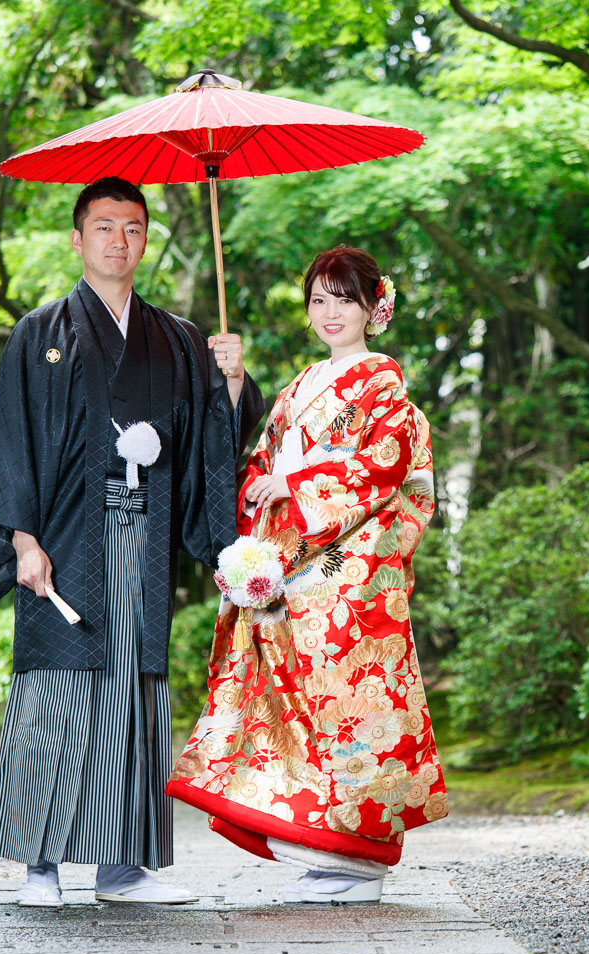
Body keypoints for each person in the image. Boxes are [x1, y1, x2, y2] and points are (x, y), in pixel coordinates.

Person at [0, 176, 265, 907]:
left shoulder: (181, 338)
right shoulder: (41, 332)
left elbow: (216, 442)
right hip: (65, 536)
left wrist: (230, 381)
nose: (118, 241)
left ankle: (121, 866)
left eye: (132, 228)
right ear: (77, 236)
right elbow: (12, 441)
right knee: (57, 688)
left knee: (133, 687)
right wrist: (23, 540)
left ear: (145, 237)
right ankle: (39, 864)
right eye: (103, 227)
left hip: (145, 531)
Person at [167, 245, 448, 904]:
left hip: (346, 578)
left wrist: (288, 482)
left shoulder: (381, 382)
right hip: (296, 578)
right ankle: (324, 850)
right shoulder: (299, 384)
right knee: (293, 710)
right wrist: (239, 408)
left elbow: (378, 467)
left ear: (374, 307)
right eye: (318, 299)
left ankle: (360, 859)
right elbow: (258, 464)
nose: (329, 313)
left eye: (343, 299)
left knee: (353, 710)